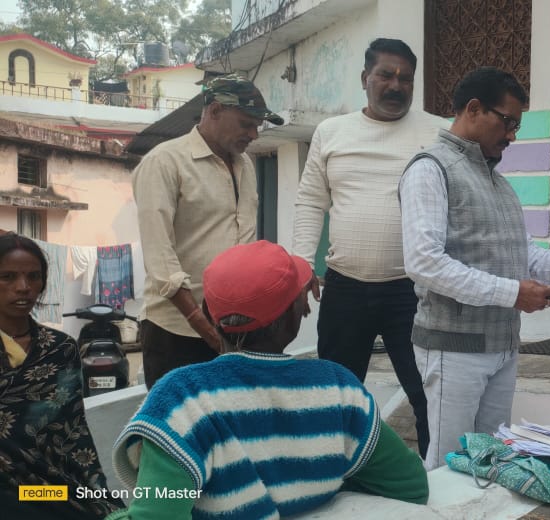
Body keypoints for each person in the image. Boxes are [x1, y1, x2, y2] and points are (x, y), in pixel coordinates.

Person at [107, 241, 428, 520]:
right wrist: (329, 485)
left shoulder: (182, 401)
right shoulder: (338, 389)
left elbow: (158, 512)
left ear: (209, 313)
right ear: (295, 317)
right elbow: (410, 484)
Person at [399, 67, 550, 469]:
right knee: (448, 465)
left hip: (502, 347)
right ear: (474, 109)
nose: (512, 136)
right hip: (453, 347)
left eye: (517, 125)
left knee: (491, 461)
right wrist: (513, 293)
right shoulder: (430, 169)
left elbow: (525, 256)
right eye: (508, 122)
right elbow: (424, 262)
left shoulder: (499, 185)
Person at [292, 38, 443, 457]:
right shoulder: (331, 132)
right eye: (385, 75)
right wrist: (301, 265)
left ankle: (435, 476)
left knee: (427, 393)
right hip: (346, 289)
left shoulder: (438, 132)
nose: (396, 85)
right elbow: (311, 201)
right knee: (336, 395)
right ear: (365, 78)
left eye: (406, 78)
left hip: (413, 292)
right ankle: (333, 472)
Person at [133, 74, 283, 387]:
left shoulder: (245, 165)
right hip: (176, 330)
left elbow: (245, 242)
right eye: (246, 124)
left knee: (233, 415)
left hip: (236, 328)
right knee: (179, 417)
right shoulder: (164, 162)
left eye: (257, 126)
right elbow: (160, 257)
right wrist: (203, 326)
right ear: (214, 110)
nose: (254, 134)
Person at [0, 233, 124, 519]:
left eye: (33, 277)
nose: (23, 287)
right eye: (7, 277)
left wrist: (93, 491)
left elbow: (74, 432)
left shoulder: (60, 348)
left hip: (48, 487)